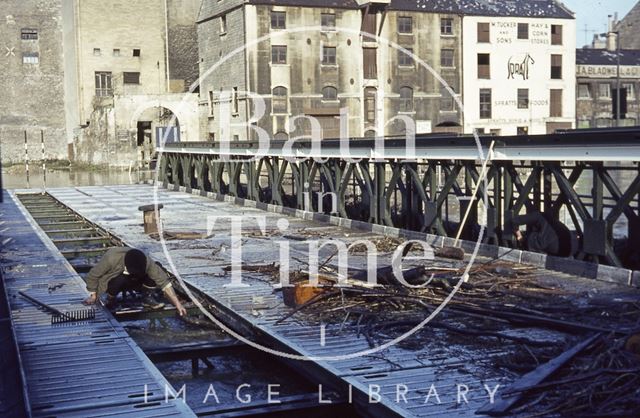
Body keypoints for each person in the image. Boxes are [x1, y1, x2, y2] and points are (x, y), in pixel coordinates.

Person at [82, 247, 187, 316]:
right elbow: (92, 276)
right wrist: (93, 296)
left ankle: (147, 298)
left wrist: (178, 304)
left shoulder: (146, 261)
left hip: (135, 281)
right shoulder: (111, 258)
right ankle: (110, 299)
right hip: (115, 281)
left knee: (158, 267)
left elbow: (164, 282)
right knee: (119, 280)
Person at [506, 211, 572, 257]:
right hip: (569, 248)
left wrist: (519, 236)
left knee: (531, 238)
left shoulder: (537, 215)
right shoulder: (550, 218)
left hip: (554, 247)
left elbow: (514, 221)